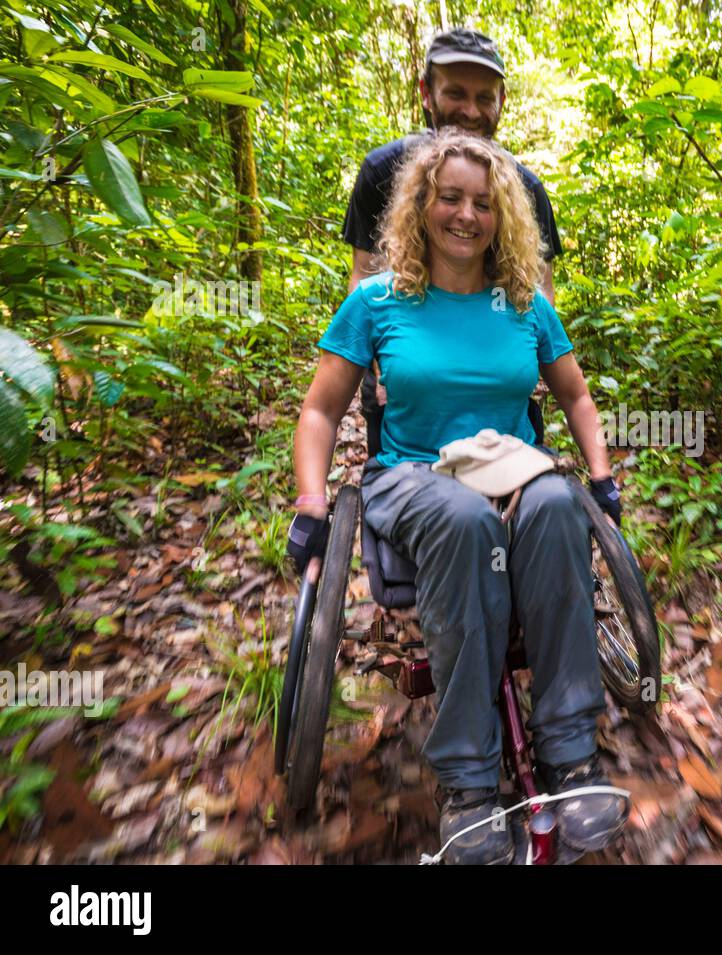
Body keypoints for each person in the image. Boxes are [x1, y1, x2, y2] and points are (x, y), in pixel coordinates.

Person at [289, 129, 626, 864]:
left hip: (511, 469)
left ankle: (571, 755)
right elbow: (319, 411)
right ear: (422, 205)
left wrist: (600, 477)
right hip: (414, 477)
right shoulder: (378, 301)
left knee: (558, 503)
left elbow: (575, 394)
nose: (466, 215)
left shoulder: (525, 305)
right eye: (450, 198)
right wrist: (311, 501)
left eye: (482, 202)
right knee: (465, 517)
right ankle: (470, 784)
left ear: (502, 214)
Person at [343, 28, 562, 454]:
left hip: (496, 382)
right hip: (405, 378)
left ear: (502, 102)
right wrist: (378, 362)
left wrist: (524, 367)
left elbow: (541, 290)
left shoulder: (524, 189)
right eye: (456, 93)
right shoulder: (382, 171)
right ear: (426, 92)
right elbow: (363, 274)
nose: (471, 111)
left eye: (485, 98)